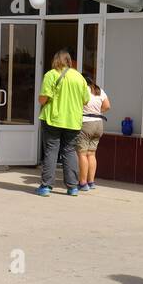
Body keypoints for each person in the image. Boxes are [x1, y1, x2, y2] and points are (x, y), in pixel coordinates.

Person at [36, 50, 89, 196]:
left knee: (51, 151)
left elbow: (42, 99)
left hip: (53, 119)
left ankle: (46, 186)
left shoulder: (51, 75)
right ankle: (72, 187)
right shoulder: (79, 77)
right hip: (73, 121)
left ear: (55, 60)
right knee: (70, 151)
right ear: (69, 61)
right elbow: (86, 100)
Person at [76, 76, 110, 191]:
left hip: (86, 123)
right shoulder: (99, 90)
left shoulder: (82, 89)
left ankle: (83, 183)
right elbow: (107, 106)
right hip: (99, 124)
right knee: (91, 154)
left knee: (82, 154)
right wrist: (96, 111)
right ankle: (91, 182)